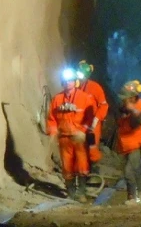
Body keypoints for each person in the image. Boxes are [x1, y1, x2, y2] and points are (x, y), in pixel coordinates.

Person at [47, 67, 95, 202]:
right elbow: (52, 118)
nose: (68, 83)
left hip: (78, 138)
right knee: (67, 167)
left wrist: (83, 131)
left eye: (71, 80)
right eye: (66, 81)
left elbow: (90, 118)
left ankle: (81, 193)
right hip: (64, 138)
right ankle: (71, 192)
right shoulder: (57, 99)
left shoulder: (84, 98)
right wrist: (53, 132)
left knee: (82, 165)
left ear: (75, 82)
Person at [116, 80, 141, 205]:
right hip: (127, 145)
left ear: (132, 98)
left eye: (125, 98)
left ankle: (134, 198)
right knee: (136, 171)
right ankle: (137, 197)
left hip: (138, 145)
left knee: (129, 171)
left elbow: (136, 123)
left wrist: (132, 110)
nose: (123, 100)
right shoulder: (125, 108)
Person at [76, 60, 109, 174]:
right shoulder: (74, 87)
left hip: (92, 124)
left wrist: (96, 119)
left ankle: (94, 169)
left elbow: (104, 105)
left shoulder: (95, 87)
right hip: (79, 123)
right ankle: (81, 171)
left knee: (92, 148)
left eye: (81, 75)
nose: (79, 77)